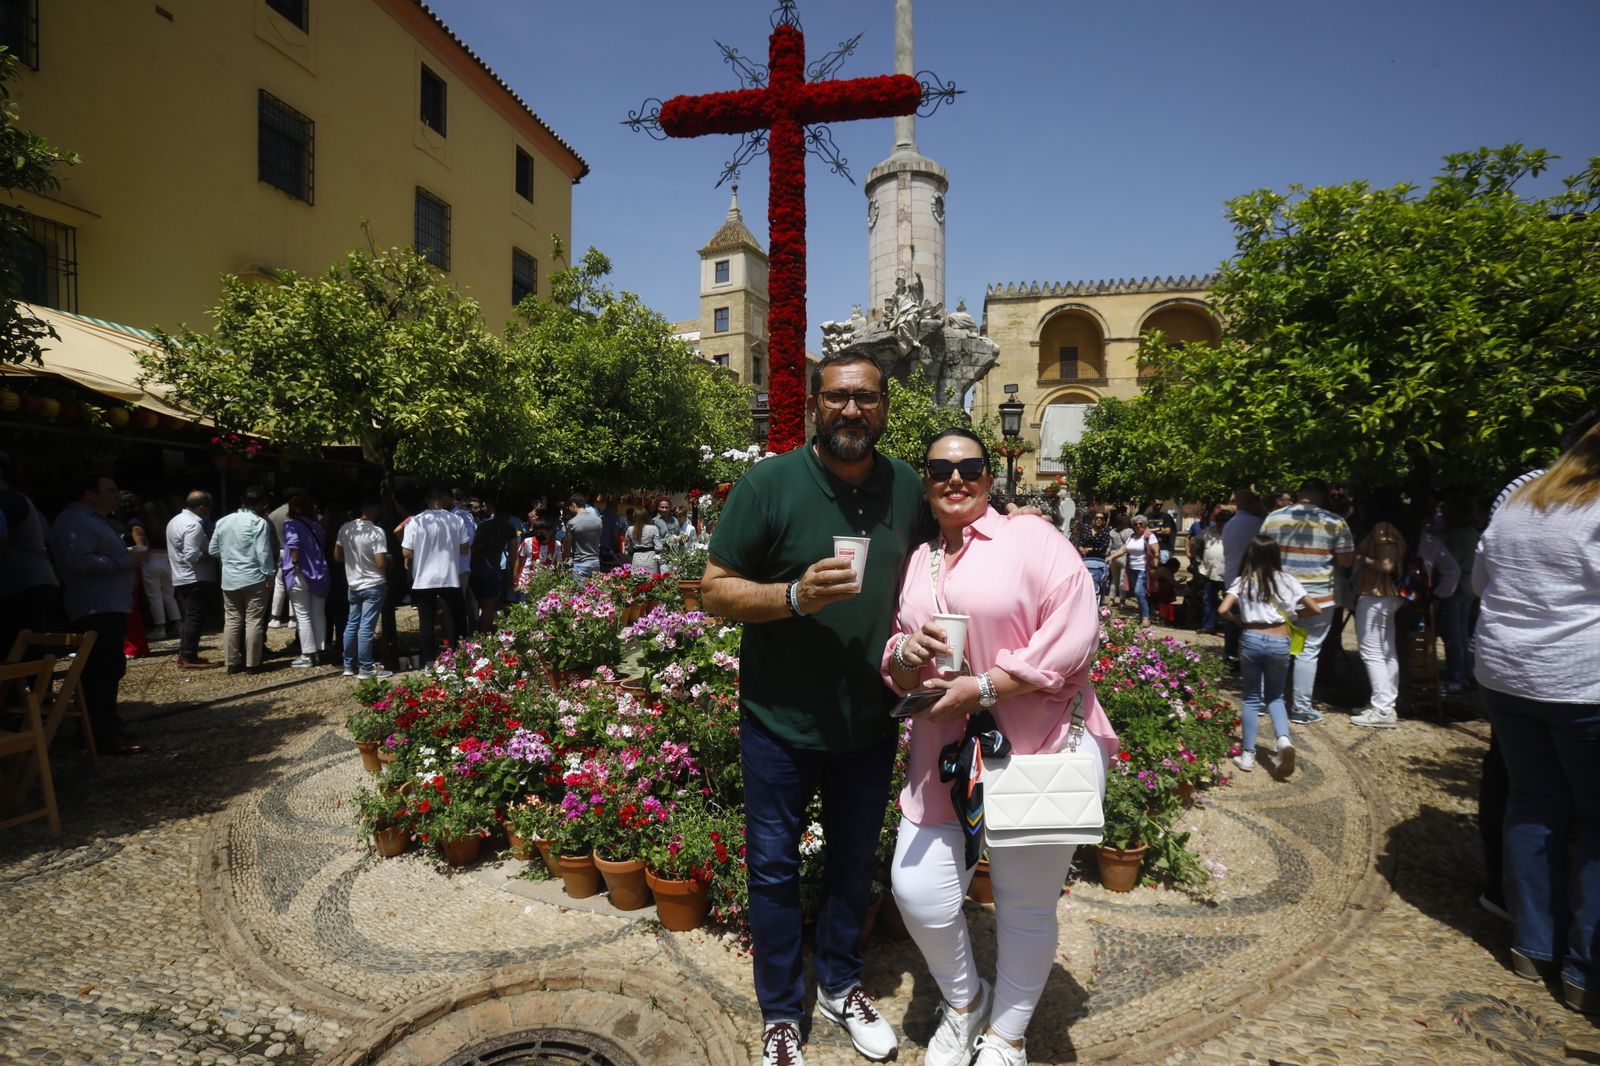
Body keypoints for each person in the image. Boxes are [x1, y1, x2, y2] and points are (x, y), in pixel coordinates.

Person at [701, 352, 922, 1066]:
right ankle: (779, 1014)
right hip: (778, 723)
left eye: (865, 398)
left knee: (854, 864)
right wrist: (794, 596)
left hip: (868, 723)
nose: (851, 411)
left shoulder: (906, 486)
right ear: (814, 407)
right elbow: (715, 590)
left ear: (884, 407)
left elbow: (948, 564)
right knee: (771, 869)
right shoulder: (770, 483)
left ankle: (841, 985)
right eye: (837, 398)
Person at [882, 428, 1116, 1066]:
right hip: (944, 746)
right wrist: (904, 656)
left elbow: (1074, 637)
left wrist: (984, 687)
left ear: (990, 476)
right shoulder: (919, 557)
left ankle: (1007, 1035)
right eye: (940, 469)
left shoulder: (1033, 538)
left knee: (1024, 901)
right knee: (917, 888)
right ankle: (964, 999)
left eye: (970, 467)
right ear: (925, 484)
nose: (955, 478)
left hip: (1034, 741)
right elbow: (900, 649)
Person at [1472, 420, 1600, 1016]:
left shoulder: (1520, 494)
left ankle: (1531, 945)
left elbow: (1481, 577)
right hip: (1580, 682)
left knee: (1533, 804)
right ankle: (1582, 971)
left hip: (1506, 672)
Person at [48, 474, 145, 754]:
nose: (117, 495)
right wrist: (124, 560)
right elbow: (79, 562)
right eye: (111, 490)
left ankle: (107, 726)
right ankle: (100, 735)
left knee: (110, 668)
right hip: (95, 607)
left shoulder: (93, 519)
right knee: (99, 672)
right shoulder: (74, 521)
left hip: (108, 604)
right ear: (89, 494)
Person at [1218, 535, 1321, 774]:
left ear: (1250, 555)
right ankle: (1283, 741)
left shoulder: (1243, 581)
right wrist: (1293, 616)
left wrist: (1237, 619)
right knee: (1276, 696)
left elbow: (1223, 609)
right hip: (1280, 640)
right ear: (1276, 555)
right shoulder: (1288, 580)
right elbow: (1315, 608)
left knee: (1252, 697)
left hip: (1252, 638)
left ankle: (1247, 755)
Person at [1260, 479, 1355, 725]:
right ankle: (1301, 709)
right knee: (1308, 651)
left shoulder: (1274, 518)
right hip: (1318, 597)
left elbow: (1261, 553)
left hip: (1279, 594)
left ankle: (1262, 701)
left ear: (1299, 493)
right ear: (1323, 496)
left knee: (1273, 646)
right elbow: (1346, 562)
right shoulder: (1335, 522)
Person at [0, 451, 61, 657]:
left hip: (24, 585)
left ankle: (40, 688)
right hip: (32, 582)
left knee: (25, 648)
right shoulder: (16, 499)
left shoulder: (9, 502)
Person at [209, 486, 276, 674]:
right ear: (260, 504)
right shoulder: (258, 522)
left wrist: (230, 556)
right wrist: (269, 575)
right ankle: (252, 663)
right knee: (254, 620)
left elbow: (213, 550)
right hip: (254, 578)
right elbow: (264, 553)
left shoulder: (223, 521)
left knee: (232, 620)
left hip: (230, 578)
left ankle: (232, 663)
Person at [402, 488, 470, 666]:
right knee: (458, 617)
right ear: (442, 500)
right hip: (449, 576)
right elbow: (465, 548)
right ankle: (461, 654)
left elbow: (407, 553)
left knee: (427, 622)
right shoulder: (456, 520)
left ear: (428, 501)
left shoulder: (416, 522)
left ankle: (429, 661)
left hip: (424, 579)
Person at [1349, 520, 1406, 728]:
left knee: (1371, 652)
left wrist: (1360, 557)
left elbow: (1386, 565)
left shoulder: (1383, 527)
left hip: (1376, 595)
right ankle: (1385, 704)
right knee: (1386, 652)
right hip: (1384, 596)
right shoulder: (1391, 528)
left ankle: (1382, 708)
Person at [335, 500, 390, 678]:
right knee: (366, 627)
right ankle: (366, 667)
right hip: (373, 583)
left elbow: (337, 556)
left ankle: (348, 665)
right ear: (378, 510)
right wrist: (389, 560)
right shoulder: (376, 532)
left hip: (353, 584)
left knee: (352, 625)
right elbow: (380, 562)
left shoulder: (346, 528)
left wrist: (353, 562)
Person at [167, 490, 219, 669]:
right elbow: (192, 555)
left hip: (181, 575)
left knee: (190, 617)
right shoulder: (194, 525)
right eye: (209, 508)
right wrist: (211, 555)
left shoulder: (175, 521)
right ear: (202, 508)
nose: (210, 512)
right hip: (195, 577)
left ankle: (188, 653)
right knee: (195, 618)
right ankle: (188, 656)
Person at [1436, 496, 1480, 694]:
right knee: (1462, 632)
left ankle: (1457, 675)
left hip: (1456, 587)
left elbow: (1449, 565)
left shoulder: (1456, 535)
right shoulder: (1472, 533)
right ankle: (1465, 672)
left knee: (1454, 633)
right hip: (1469, 587)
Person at [281, 490, 330, 668]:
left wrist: (295, 563)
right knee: (318, 613)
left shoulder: (291, 524)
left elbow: (293, 544)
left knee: (303, 615)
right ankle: (319, 651)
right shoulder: (317, 526)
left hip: (300, 573)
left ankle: (307, 654)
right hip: (320, 573)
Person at [1220, 487, 1266, 668]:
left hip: (1233, 578)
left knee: (1233, 620)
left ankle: (1231, 655)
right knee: (1249, 620)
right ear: (1248, 503)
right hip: (1251, 579)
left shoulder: (1230, 524)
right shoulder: (1257, 523)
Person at [468, 497, 518, 630]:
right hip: (491, 569)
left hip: (472, 568)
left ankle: (471, 636)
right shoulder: (510, 527)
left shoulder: (482, 525)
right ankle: (481, 640)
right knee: (489, 607)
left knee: (473, 606)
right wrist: (513, 575)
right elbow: (513, 555)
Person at [1104, 514, 1160, 626]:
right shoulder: (1132, 536)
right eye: (1136, 524)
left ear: (1145, 524)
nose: (1138, 526)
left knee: (1139, 592)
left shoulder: (1149, 536)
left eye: (1141, 524)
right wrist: (1111, 557)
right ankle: (1143, 615)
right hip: (1132, 569)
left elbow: (1156, 552)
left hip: (1144, 569)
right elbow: (1124, 549)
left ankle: (1145, 618)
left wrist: (1155, 565)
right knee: (1140, 593)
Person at [139, 499, 180, 642]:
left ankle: (160, 627)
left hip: (151, 559)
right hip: (167, 559)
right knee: (170, 595)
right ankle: (177, 624)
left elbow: (142, 546)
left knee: (154, 596)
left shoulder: (144, 524)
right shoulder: (168, 524)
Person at [1196, 508, 1231, 635]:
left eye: (1224, 521)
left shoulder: (1233, 532)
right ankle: (1209, 626)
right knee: (1209, 600)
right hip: (1209, 571)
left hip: (1228, 572)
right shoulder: (1209, 531)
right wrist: (1198, 558)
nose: (1221, 524)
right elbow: (1197, 542)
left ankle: (1230, 628)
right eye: (1219, 521)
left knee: (1229, 601)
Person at [1071, 510, 1111, 599]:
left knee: (1097, 581)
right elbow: (1080, 542)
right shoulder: (1087, 530)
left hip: (1098, 560)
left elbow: (1103, 547)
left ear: (1104, 521)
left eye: (1101, 518)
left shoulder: (1105, 532)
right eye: (1097, 518)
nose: (1099, 520)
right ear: (1094, 519)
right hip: (1085, 559)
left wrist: (1090, 549)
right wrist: (1080, 548)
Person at [565, 494, 604, 578]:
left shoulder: (572, 523)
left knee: (579, 591)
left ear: (573, 505)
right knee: (593, 590)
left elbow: (567, 548)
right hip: (596, 563)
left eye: (569, 506)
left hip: (580, 563)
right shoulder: (598, 521)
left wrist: (564, 559)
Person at [623, 507, 661, 574]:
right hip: (651, 559)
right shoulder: (653, 528)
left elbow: (628, 547)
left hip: (636, 559)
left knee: (637, 582)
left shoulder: (630, 529)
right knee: (652, 582)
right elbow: (659, 547)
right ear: (646, 517)